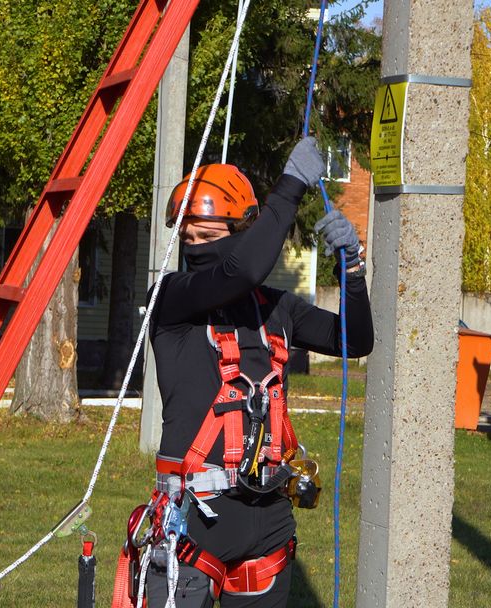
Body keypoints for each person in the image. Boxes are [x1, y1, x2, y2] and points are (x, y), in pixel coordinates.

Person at [125, 137, 374, 608]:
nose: (196, 249)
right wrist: (290, 187)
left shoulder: (275, 310)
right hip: (195, 520)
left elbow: (354, 340)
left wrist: (353, 273)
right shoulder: (174, 297)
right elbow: (240, 272)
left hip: (268, 521)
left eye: (209, 237)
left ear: (241, 231)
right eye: (188, 239)